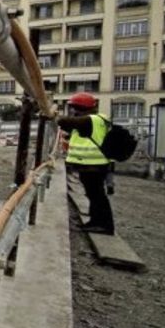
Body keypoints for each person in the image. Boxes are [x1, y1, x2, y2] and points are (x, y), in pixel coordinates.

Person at [56, 92, 114, 235]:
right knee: (93, 194)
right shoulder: (96, 120)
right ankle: (95, 222)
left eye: (74, 108)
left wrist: (54, 114)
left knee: (97, 195)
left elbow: (63, 122)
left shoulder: (90, 120)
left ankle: (104, 225)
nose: (73, 111)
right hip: (93, 164)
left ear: (80, 108)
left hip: (93, 165)